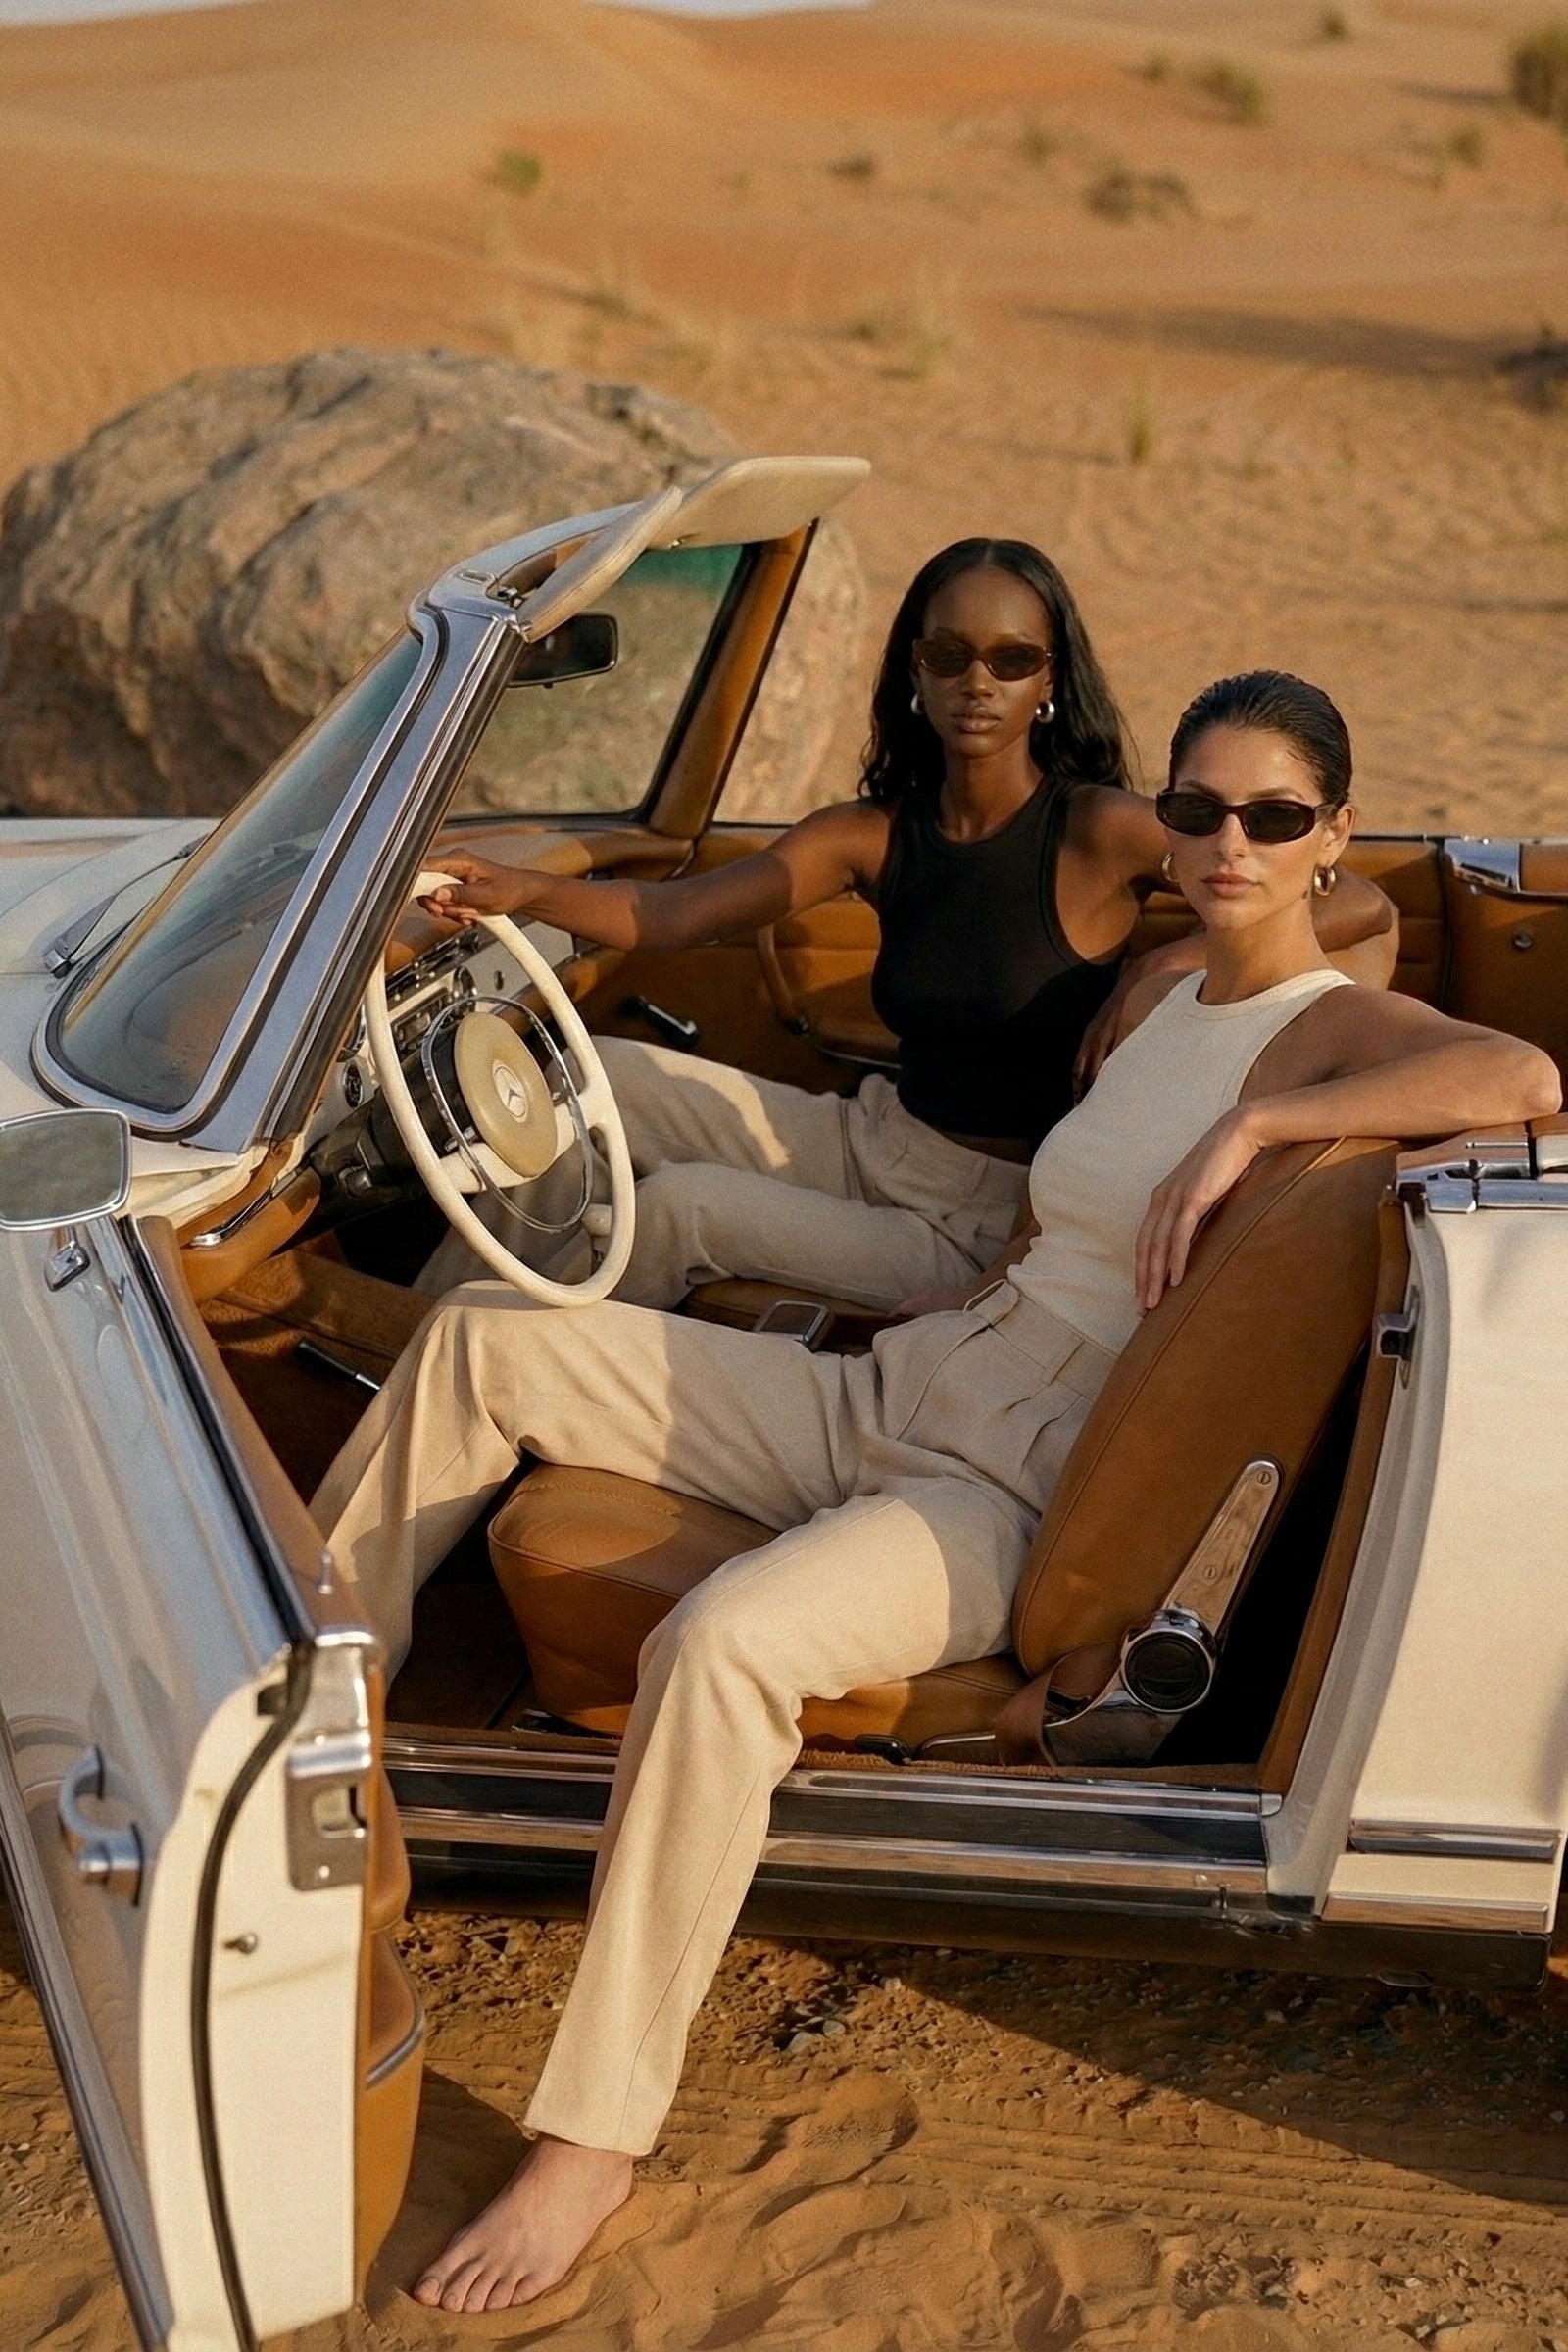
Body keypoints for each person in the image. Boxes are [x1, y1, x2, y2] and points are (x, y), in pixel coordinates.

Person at [316, 669, 1549, 2317]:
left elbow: (1526, 1082)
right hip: (912, 1380)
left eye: (1270, 817)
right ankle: (302, 1728)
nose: (1227, 844)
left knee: (724, 1645)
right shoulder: (1167, 991)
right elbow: (1059, 1230)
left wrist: (1269, 1118)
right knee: (485, 1341)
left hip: (1011, 1490)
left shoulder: (1318, 1020)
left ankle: (593, 2141)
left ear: (1333, 833)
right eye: (1196, 811)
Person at [417, 543, 1394, 1314]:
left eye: (1012, 660)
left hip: (979, 1212)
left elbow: (1355, 901)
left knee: (678, 1210)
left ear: (1048, 680)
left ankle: (536, 1380)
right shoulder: (871, 834)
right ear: (914, 674)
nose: (980, 683)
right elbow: (670, 914)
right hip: (874, 1136)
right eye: (949, 655)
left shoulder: (1099, 828)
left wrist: (1169, 959)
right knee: (588, 1079)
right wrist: (519, 891)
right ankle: (445, 1323)